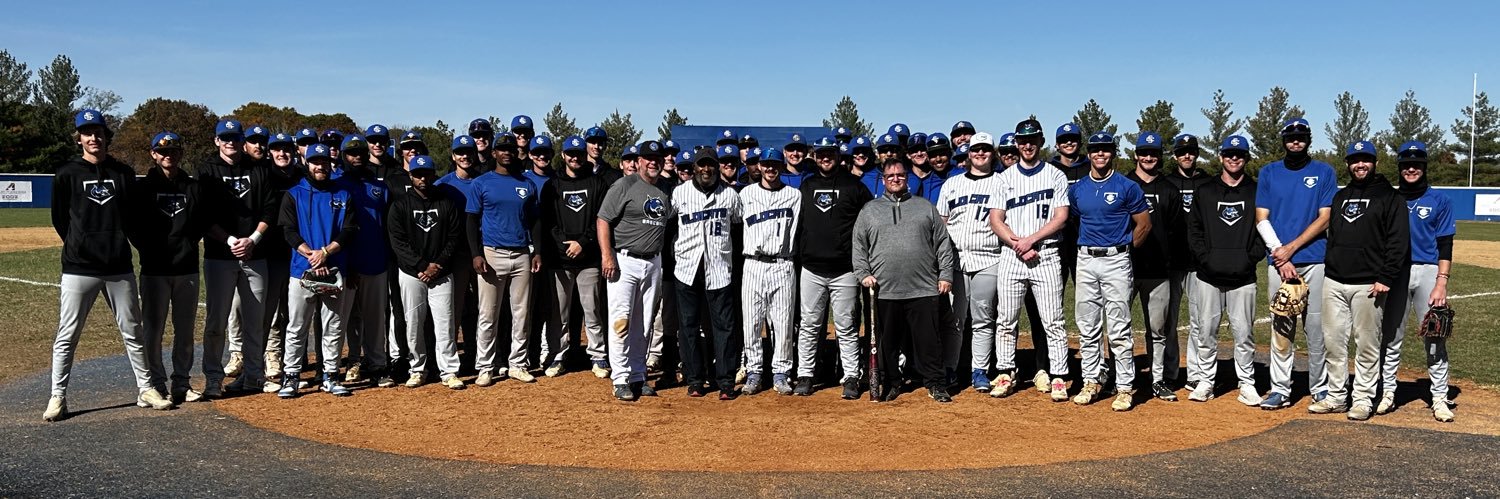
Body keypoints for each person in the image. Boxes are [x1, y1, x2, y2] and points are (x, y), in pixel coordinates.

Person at [44, 110, 162, 421]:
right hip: (79, 268)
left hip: (118, 266)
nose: (93, 138)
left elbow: (133, 218)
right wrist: (79, 245)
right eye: (87, 133)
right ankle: (58, 397)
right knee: (67, 334)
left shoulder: (122, 173)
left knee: (133, 330)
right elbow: (60, 219)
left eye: (98, 132)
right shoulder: (67, 174)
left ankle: (146, 389)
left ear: (106, 137)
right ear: (79, 138)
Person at [1308, 140, 1409, 421]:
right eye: (1354, 160)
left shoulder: (1390, 198)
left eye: (1365, 159)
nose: (1359, 164)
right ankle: (1337, 397)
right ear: (1348, 163)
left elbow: (1398, 241)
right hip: (1335, 280)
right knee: (1334, 342)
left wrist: (1385, 277)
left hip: (1369, 283)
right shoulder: (1341, 197)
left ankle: (1363, 398)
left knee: (1367, 344)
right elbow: (1334, 236)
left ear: (1374, 162)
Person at [853, 158, 957, 403]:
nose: (896, 179)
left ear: (907, 177)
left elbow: (943, 243)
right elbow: (858, 246)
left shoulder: (925, 207)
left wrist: (945, 274)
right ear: (883, 180)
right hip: (885, 289)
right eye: (891, 176)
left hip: (923, 287)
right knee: (887, 342)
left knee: (929, 341)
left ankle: (935, 383)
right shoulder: (870, 210)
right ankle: (892, 382)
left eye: (900, 175)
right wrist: (863, 274)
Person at [984, 128, 1073, 400]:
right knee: (1006, 320)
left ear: (1040, 142)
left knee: (1053, 320)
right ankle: (1006, 371)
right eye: (1022, 141)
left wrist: (1030, 240)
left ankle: (1058, 376)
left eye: (1032, 140)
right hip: (1012, 256)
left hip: (1045, 253)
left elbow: (1061, 217)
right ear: (1017, 144)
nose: (1027, 145)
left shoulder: (1055, 174)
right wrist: (1017, 244)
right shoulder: (1003, 178)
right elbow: (996, 219)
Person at [1254, 118, 1337, 409]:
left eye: (1301, 137)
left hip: (1314, 260)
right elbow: (1261, 218)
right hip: (1279, 263)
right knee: (1281, 327)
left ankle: (1321, 388)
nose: (1296, 141)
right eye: (1291, 137)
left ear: (1309, 139)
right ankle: (1280, 389)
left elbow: (1325, 217)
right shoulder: (1269, 173)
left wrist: (1290, 249)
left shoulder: (1324, 172)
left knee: (1316, 329)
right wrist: (1281, 254)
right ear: (1284, 141)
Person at [1068, 131, 1151, 411]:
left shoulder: (1127, 186)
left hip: (1116, 260)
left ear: (1112, 153)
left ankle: (1125, 386)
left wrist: (1125, 249)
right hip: (1087, 259)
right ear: (1089, 153)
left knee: (1118, 326)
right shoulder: (1078, 188)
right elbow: (1078, 220)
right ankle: (1091, 380)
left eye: (1105, 149)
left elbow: (1144, 225)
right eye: (1095, 149)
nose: (1100, 154)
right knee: (1088, 326)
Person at [130, 132, 211, 405]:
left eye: (174, 151)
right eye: (162, 152)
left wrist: (187, 244)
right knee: (153, 329)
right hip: (155, 269)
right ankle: (155, 383)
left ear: (180, 154)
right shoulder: (143, 188)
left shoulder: (193, 186)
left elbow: (201, 222)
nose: (168, 156)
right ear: (153, 154)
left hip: (186, 267)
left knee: (185, 329)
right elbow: (133, 226)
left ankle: (182, 382)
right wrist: (149, 250)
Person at [197, 118, 276, 396]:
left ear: (242, 140)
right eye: (225, 137)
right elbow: (203, 215)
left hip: (256, 254)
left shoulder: (258, 169)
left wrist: (253, 239)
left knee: (255, 321)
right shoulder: (207, 170)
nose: (230, 142)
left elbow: (269, 210)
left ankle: (254, 375)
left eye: (235, 137)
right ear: (217, 141)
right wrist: (231, 240)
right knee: (217, 321)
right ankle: (213, 378)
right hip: (220, 256)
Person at [1183, 135, 1263, 405]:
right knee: (1206, 331)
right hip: (1208, 276)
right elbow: (1194, 230)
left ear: (1246, 157)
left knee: (1244, 333)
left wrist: (1248, 259)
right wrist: (1206, 259)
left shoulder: (1256, 190)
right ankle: (1206, 380)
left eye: (1239, 154)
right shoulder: (1205, 190)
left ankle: (1247, 383)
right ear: (1220, 157)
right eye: (1229, 154)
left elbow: (1264, 230)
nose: (1234, 158)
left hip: (1243, 276)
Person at [276, 143, 359, 398]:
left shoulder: (343, 194)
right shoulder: (293, 194)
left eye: (323, 161)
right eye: (315, 161)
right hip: (302, 269)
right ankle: (291, 375)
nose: (320, 166)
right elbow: (288, 230)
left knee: (334, 325)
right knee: (296, 325)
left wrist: (326, 252)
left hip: (334, 267)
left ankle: (330, 375)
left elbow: (349, 230)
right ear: (306, 163)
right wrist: (311, 254)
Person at [794, 135, 874, 398]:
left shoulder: (855, 186)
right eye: (820, 154)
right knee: (810, 324)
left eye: (830, 153)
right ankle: (806, 374)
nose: (825, 158)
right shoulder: (807, 186)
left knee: (847, 325)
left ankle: (851, 376)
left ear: (839, 157)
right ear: (815, 157)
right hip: (812, 268)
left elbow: (868, 225)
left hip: (845, 269)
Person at [596, 140, 674, 401]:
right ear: (639, 161)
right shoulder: (624, 185)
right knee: (621, 321)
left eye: (658, 158)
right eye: (648, 158)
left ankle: (638, 375)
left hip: (653, 261)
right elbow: (603, 220)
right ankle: (620, 377)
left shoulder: (665, 188)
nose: (653, 162)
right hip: (624, 259)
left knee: (645, 321)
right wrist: (608, 256)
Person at [1385, 141, 1456, 422]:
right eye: (1405, 164)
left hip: (1428, 271)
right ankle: (1388, 392)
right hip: (1396, 271)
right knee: (1391, 336)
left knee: (1434, 336)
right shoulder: (1390, 199)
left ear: (1424, 167)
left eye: (1416, 164)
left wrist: (1442, 281)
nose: (1411, 168)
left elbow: (1446, 244)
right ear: (1400, 168)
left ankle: (1439, 397)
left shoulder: (1440, 200)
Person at [468, 131, 542, 386]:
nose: (507, 152)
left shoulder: (527, 183)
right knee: (488, 314)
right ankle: (485, 366)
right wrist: (476, 254)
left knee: (521, 313)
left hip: (522, 253)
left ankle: (517, 364)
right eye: (502, 149)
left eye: (510, 149)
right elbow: (471, 220)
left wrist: (537, 251)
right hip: (492, 253)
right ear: (494, 153)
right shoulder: (482, 182)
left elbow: (535, 221)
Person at [670, 149, 743, 399]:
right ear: (695, 167)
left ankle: (725, 382)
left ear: (717, 167)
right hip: (687, 268)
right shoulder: (679, 193)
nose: (706, 170)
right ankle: (695, 380)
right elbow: (669, 227)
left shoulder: (730, 196)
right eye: (702, 165)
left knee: (724, 327)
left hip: (719, 269)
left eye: (711, 165)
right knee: (688, 327)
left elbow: (738, 225)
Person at [387, 155, 465, 389]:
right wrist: (422, 266)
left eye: (427, 174)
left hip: (442, 273)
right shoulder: (400, 204)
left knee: (445, 323)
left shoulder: (446, 202)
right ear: (410, 176)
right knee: (413, 323)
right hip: (412, 274)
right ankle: (417, 368)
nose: (423, 178)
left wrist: (437, 264)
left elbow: (454, 237)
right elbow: (397, 241)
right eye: (418, 174)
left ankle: (449, 371)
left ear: (433, 175)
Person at [934, 132, 1003, 393]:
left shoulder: (1001, 182)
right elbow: (941, 222)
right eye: (976, 149)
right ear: (968, 153)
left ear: (992, 153)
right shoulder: (952, 184)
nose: (980, 153)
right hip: (955, 259)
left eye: (986, 149)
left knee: (983, 317)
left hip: (988, 258)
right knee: (955, 319)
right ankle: (950, 368)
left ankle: (980, 370)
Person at [539, 136, 610, 378]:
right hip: (559, 260)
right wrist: (564, 243)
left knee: (592, 309)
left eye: (579, 154)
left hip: (589, 258)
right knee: (559, 311)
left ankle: (598, 356)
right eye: (570, 154)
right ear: (563, 155)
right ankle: (558, 355)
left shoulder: (597, 183)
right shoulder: (552, 185)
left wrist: (582, 242)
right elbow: (548, 221)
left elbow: (601, 218)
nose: (575, 158)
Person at [738, 149, 802, 395]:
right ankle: (754, 371)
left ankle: (781, 372)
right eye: (766, 164)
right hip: (753, 262)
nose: (770, 168)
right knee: (751, 322)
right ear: (760, 166)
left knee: (783, 322)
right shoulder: (746, 194)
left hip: (782, 262)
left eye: (775, 164)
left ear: (781, 166)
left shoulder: (793, 196)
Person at [1124, 131, 1182, 401]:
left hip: (1159, 270)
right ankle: (1121, 377)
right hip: (1124, 267)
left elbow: (1175, 231)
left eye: (1154, 153)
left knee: (1158, 329)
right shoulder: (1123, 184)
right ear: (1136, 154)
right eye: (1144, 152)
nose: (1148, 157)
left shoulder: (1169, 188)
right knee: (1119, 326)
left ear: (1160, 156)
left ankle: (1158, 379)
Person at [337, 135, 396, 388]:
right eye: (351, 153)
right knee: (344, 320)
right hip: (345, 264)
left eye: (360, 152)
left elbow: (388, 226)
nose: (357, 157)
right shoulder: (336, 186)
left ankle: (378, 365)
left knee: (375, 318)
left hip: (376, 261)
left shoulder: (379, 187)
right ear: (343, 156)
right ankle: (343, 365)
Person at [1163, 133, 1213, 399]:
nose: (1187, 156)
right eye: (1182, 152)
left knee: (1198, 320)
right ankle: (1171, 373)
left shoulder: (1208, 183)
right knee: (1169, 321)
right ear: (1175, 155)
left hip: (1197, 264)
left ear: (1197, 154)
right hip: (1172, 262)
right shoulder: (1167, 182)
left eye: (1191, 151)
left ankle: (1194, 373)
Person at [260, 132, 304, 379]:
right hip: (274, 250)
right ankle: (272, 356)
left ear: (294, 151)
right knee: (274, 309)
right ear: (271, 152)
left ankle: (293, 358)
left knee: (296, 310)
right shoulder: (265, 175)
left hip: (299, 251)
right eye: (277, 149)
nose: (282, 153)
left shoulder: (302, 177)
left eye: (286, 148)